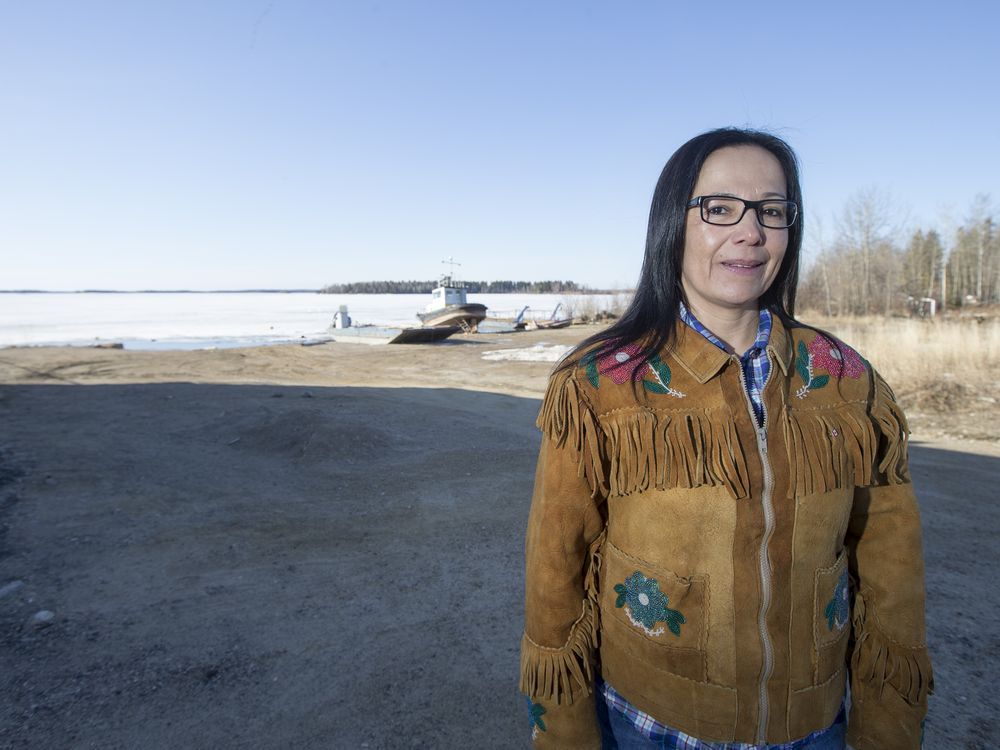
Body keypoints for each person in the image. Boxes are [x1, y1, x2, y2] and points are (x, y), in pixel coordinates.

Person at [519, 128, 932, 749]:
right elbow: (556, 573)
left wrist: (888, 729)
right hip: (651, 724)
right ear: (673, 223)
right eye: (720, 208)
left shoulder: (845, 380)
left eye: (772, 210)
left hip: (811, 726)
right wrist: (566, 734)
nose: (750, 231)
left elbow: (891, 571)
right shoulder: (600, 384)